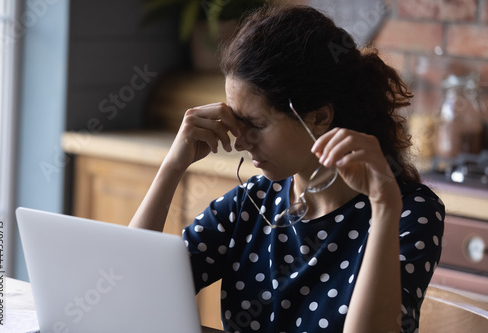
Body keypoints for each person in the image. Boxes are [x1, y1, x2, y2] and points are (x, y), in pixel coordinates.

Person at [129, 4, 444, 333]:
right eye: (237, 121)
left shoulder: (408, 211)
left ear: (319, 117)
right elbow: (132, 292)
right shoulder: (249, 204)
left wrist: (383, 208)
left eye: (255, 124)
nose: (240, 141)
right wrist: (171, 167)